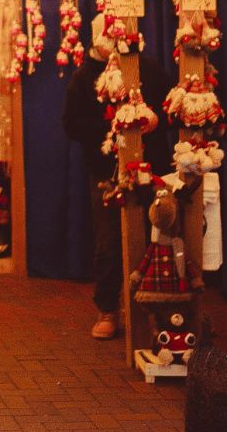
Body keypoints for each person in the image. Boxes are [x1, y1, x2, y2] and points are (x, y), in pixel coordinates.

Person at [61, 48, 174, 340]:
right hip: (106, 173)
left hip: (152, 168)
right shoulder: (85, 77)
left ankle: (153, 310)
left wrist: (151, 121)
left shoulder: (150, 70)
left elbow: (168, 107)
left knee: (156, 239)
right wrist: (112, 127)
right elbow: (71, 123)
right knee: (108, 242)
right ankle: (108, 308)